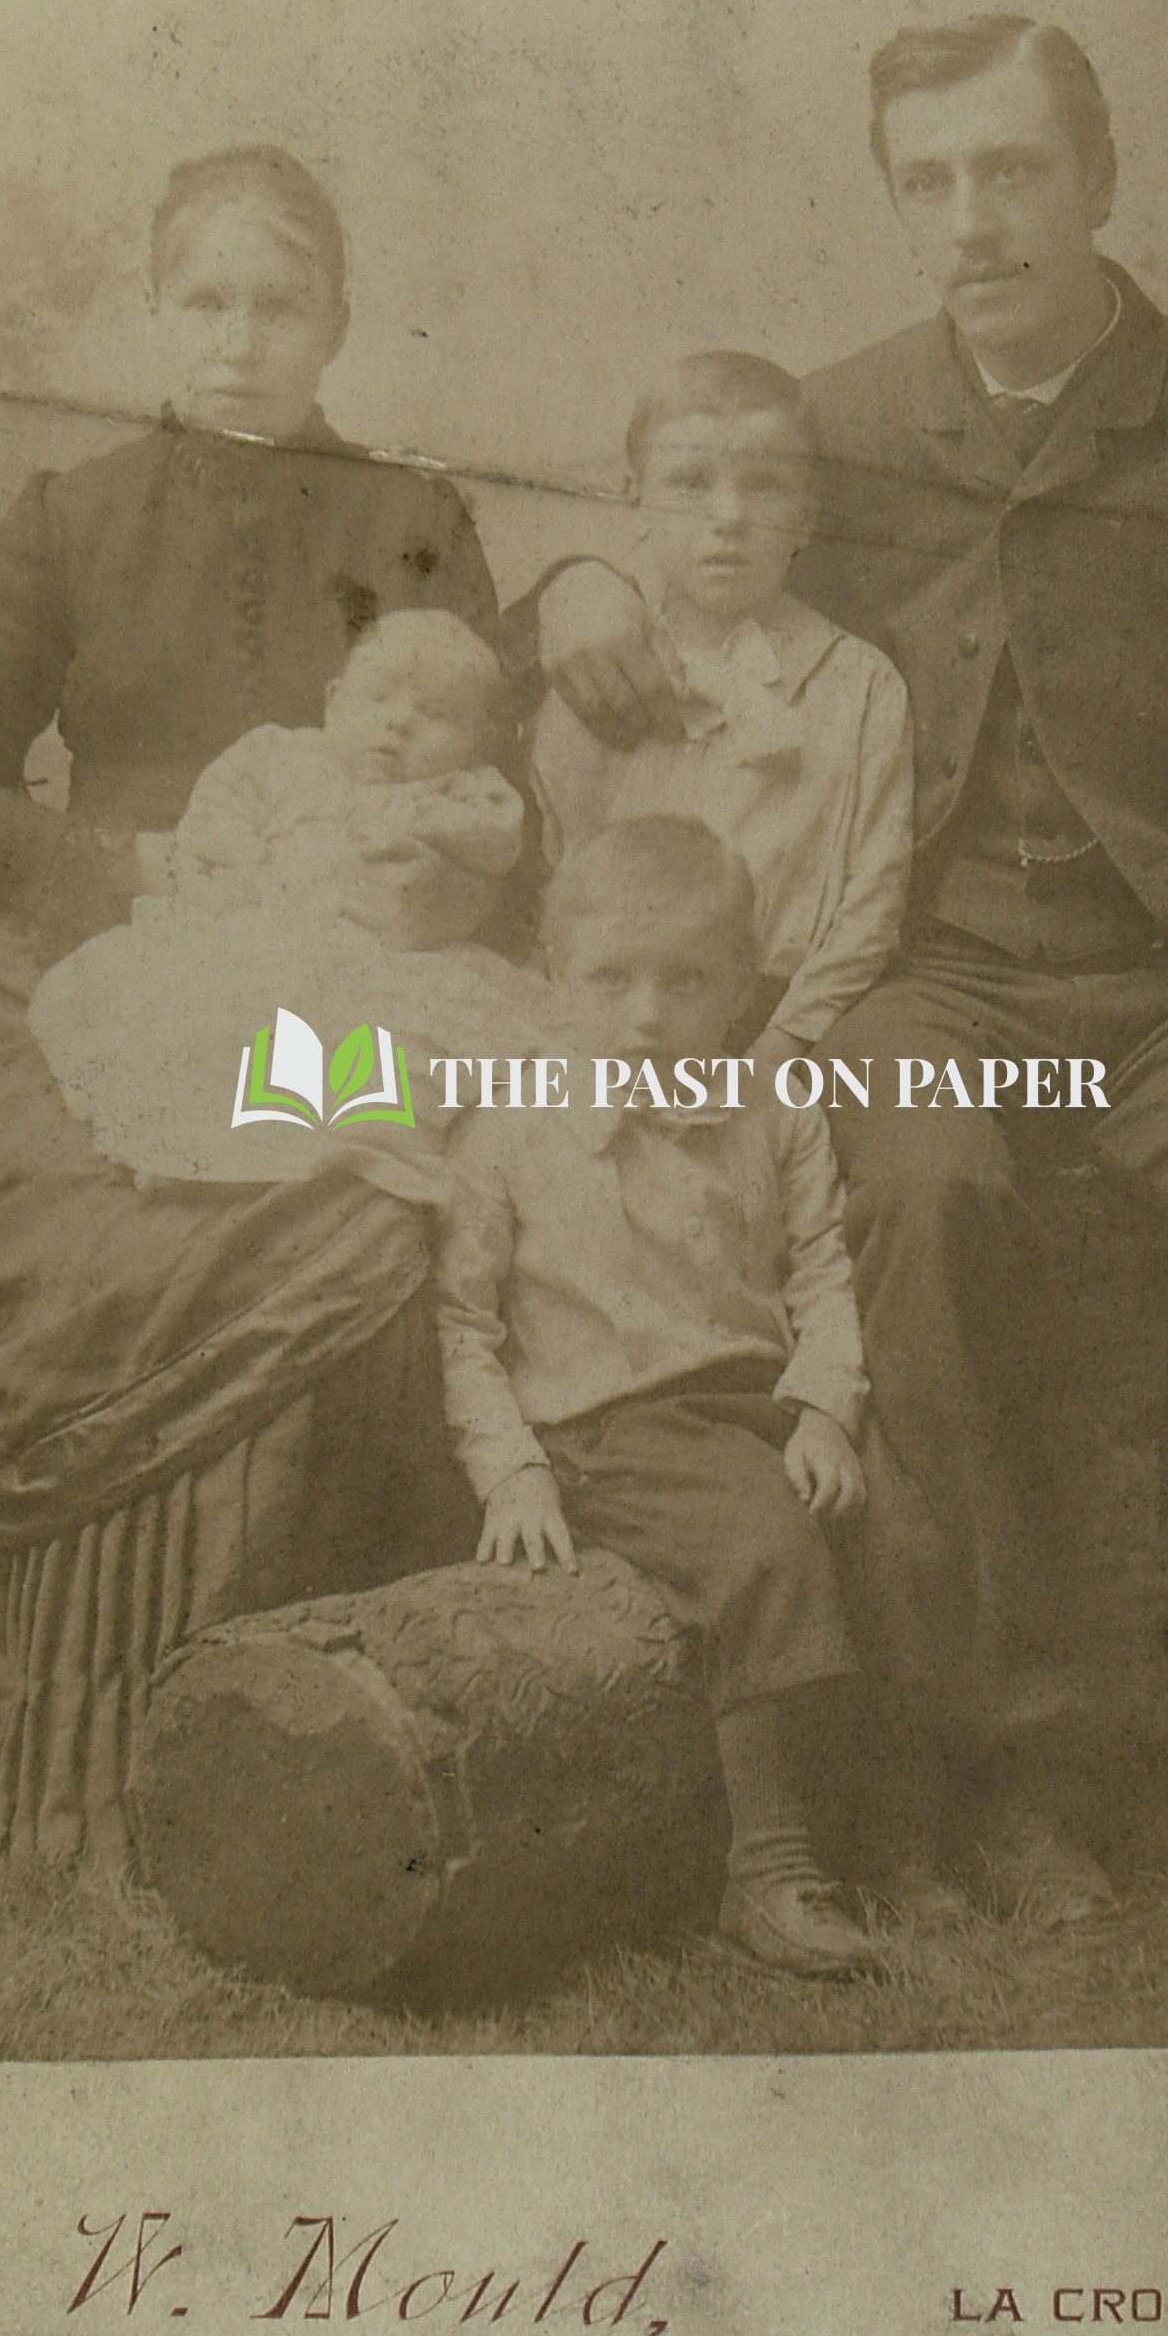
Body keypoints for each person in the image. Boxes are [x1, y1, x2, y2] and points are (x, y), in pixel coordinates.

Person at [524, 18, 1168, 1945]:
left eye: (1012, 171)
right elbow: (677, 521)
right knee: (919, 1186)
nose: (972, 220)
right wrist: (572, 592)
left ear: (1101, 179)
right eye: (929, 181)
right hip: (940, 981)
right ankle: (1004, 1774)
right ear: (897, 199)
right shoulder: (849, 423)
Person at [0, 143, 517, 1874]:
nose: (240, 340)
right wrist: (133, 869)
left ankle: (316, 1753)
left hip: (354, 957)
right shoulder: (70, 515)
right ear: (156, 312)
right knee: (111, 1245)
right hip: (107, 971)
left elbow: (490, 792)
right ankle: (82, 1766)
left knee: (368, 1191)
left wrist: (399, 886)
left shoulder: (415, 519)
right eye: (206, 302)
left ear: (334, 324)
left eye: (278, 304)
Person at [435, 817, 884, 1979]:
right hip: (604, 1426)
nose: (648, 1016)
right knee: (766, 1544)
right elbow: (466, 1325)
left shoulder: (772, 1113)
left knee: (907, 1531)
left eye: (687, 982)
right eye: (612, 980)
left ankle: (909, 1830)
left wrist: (828, 1405)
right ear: (555, 976)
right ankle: (771, 1867)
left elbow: (823, 1271)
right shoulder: (510, 1127)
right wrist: (514, 1466)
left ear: (742, 983)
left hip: (755, 1404)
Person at [29, 605, 537, 1188]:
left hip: (385, 963)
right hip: (260, 930)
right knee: (192, 1026)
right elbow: (214, 822)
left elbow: (496, 845)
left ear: (477, 743)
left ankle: (309, 1157)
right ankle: (177, 1150)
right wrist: (243, 870)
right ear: (333, 700)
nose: (399, 723)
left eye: (437, 714)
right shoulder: (278, 758)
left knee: (385, 1064)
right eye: (378, 698)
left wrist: (425, 831)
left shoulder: (463, 792)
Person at [531, 352, 913, 1082]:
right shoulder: (595, 663)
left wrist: (777, 1055)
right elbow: (549, 863)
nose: (728, 518)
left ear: (807, 512)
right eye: (689, 484)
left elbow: (869, 907)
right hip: (591, 1030)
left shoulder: (859, 686)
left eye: (764, 487)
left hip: (772, 1034)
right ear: (632, 499)